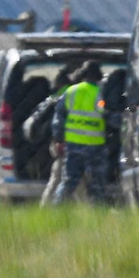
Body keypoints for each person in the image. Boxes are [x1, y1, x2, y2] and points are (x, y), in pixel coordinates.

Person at [52, 60, 108, 205]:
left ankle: (56, 209)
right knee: (96, 184)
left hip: (73, 145)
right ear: (99, 76)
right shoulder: (101, 94)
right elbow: (107, 114)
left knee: (68, 182)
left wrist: (58, 139)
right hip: (95, 147)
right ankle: (98, 214)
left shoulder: (70, 92)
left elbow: (58, 116)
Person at [22, 66, 75, 206]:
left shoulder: (52, 98)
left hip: (55, 143)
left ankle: (46, 207)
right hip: (67, 143)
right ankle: (89, 211)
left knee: (58, 177)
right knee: (70, 177)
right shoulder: (68, 96)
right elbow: (59, 121)